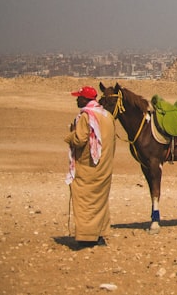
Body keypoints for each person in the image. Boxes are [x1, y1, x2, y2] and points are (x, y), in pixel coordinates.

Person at [64, 85, 116, 248]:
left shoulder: (87, 116)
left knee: (85, 199)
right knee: (100, 200)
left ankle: (86, 237)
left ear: (86, 99)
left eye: (79, 97)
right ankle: (100, 234)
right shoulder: (107, 115)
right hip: (105, 166)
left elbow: (79, 140)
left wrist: (70, 134)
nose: (77, 99)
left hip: (89, 167)